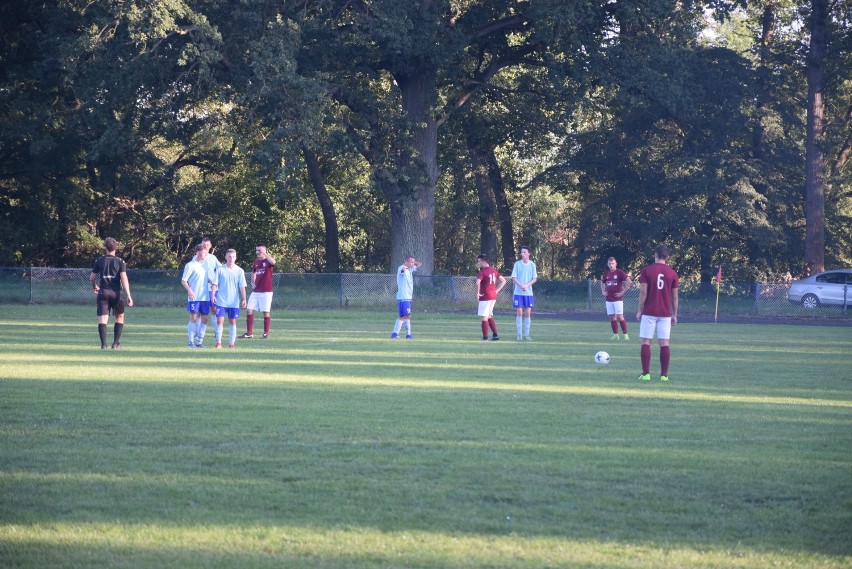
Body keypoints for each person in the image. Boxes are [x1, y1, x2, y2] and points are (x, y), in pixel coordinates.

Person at [636, 245, 680, 382]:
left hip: (649, 311)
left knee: (646, 342)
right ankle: (664, 376)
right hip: (665, 313)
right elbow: (675, 297)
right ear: (667, 257)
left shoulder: (647, 270)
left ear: (654, 255)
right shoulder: (672, 273)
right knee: (664, 343)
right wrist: (675, 314)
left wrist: (639, 310)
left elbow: (643, 292)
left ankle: (646, 374)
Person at [89, 237, 134, 349]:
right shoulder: (120, 262)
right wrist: (129, 295)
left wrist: (94, 286)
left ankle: (104, 344)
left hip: (103, 292)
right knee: (119, 317)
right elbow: (124, 278)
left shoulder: (99, 260)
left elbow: (92, 277)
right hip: (116, 293)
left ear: (105, 247)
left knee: (102, 319)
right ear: (116, 248)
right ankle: (115, 344)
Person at [210, 249, 247, 349]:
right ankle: (218, 343)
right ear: (226, 257)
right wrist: (213, 295)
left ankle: (231, 344)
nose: (231, 259)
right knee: (220, 321)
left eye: (233, 257)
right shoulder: (220, 270)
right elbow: (214, 284)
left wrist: (244, 299)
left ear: (236, 257)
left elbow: (242, 286)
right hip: (221, 300)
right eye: (229, 256)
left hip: (233, 302)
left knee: (232, 322)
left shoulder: (240, 271)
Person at [242, 243, 276, 339]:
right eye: (257, 250)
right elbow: (253, 272)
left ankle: (265, 334)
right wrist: (252, 281)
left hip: (266, 291)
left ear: (264, 251)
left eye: (259, 250)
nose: (258, 252)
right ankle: (249, 333)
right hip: (256, 291)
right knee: (249, 310)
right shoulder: (256, 261)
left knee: (266, 312)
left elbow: (273, 262)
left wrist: (265, 254)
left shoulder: (267, 261)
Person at [181, 244, 211, 348]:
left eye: (206, 253)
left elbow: (205, 279)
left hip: (205, 297)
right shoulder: (190, 265)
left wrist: (212, 282)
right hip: (194, 297)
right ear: (197, 252)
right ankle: (190, 342)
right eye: (204, 253)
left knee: (205, 319)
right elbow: (184, 280)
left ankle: (199, 341)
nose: (205, 255)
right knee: (193, 317)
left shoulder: (205, 266)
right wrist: (189, 290)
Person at [600, 257, 633, 340]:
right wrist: (603, 291)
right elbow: (602, 282)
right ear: (607, 264)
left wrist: (622, 292)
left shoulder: (619, 272)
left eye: (613, 263)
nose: (611, 265)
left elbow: (629, 282)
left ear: (616, 264)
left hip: (618, 299)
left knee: (620, 316)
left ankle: (625, 335)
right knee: (612, 317)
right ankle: (615, 335)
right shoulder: (606, 274)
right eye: (610, 264)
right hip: (609, 299)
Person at [390, 255, 422, 339]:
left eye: (412, 262)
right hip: (404, 297)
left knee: (406, 316)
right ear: (405, 261)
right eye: (410, 262)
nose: (412, 264)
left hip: (407, 297)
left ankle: (404, 334)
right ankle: (399, 334)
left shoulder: (410, 269)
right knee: (405, 316)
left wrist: (413, 263)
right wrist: (404, 268)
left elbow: (419, 264)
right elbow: (402, 270)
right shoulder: (402, 267)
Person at [476, 254, 506, 341]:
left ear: (483, 261)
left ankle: (485, 338)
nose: (478, 263)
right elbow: (504, 281)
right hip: (493, 296)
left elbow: (477, 282)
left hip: (485, 296)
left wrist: (477, 293)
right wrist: (496, 290)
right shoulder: (493, 270)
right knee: (489, 315)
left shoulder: (482, 271)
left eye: (479, 261)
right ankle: (495, 335)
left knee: (484, 316)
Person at [511, 246, 537, 340]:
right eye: (521, 252)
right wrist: (521, 285)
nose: (522, 254)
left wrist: (526, 285)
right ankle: (519, 335)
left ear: (529, 253)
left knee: (528, 313)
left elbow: (534, 278)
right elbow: (514, 277)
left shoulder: (532, 265)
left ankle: (527, 335)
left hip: (528, 293)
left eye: (524, 252)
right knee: (519, 312)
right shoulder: (517, 264)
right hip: (518, 293)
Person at [200, 236, 221, 305]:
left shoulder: (213, 258)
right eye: (204, 245)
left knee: (214, 308)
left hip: (211, 287)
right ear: (201, 245)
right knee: (200, 310)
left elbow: (221, 268)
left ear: (210, 246)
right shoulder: (195, 258)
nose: (205, 247)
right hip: (200, 287)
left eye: (207, 245)